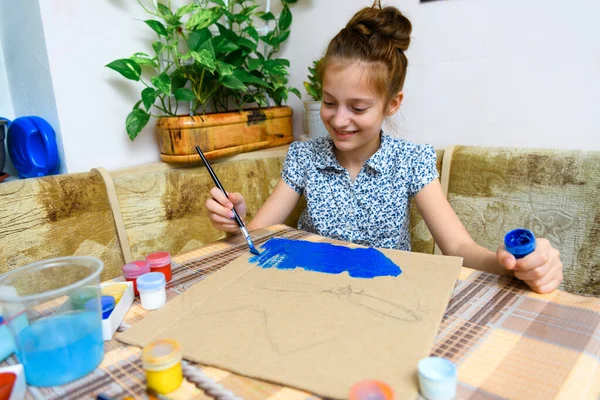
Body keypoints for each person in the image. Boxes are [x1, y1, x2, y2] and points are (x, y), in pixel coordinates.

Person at [205, 1, 563, 294]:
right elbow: (258, 236)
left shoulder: (411, 161)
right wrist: (234, 223)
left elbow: (458, 248)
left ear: (392, 104)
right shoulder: (304, 157)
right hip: (306, 293)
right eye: (329, 102)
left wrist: (508, 265)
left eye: (358, 108)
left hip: (383, 298)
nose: (339, 120)